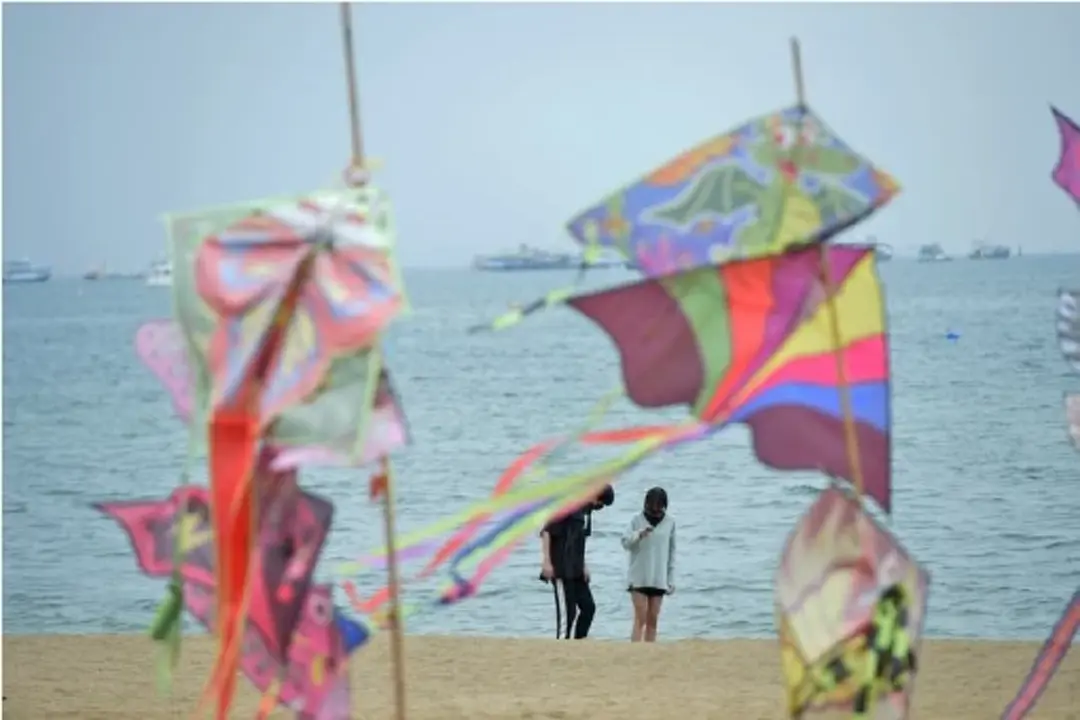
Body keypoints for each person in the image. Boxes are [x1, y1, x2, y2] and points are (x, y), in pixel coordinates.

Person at [539, 484, 615, 639]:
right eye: (600, 503)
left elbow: (579, 541)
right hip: (560, 567)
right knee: (568, 613)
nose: (599, 507)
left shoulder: (586, 513)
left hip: (576, 569)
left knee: (588, 607)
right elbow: (547, 531)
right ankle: (562, 644)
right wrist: (546, 562)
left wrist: (584, 565)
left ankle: (579, 643)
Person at [621, 487, 675, 642]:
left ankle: (649, 652)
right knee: (641, 618)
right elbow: (625, 543)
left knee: (653, 620)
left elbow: (672, 552)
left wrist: (670, 579)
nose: (656, 512)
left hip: (658, 578)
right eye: (652, 509)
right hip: (638, 577)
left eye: (659, 509)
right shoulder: (637, 520)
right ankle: (636, 650)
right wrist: (639, 534)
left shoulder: (670, 522)